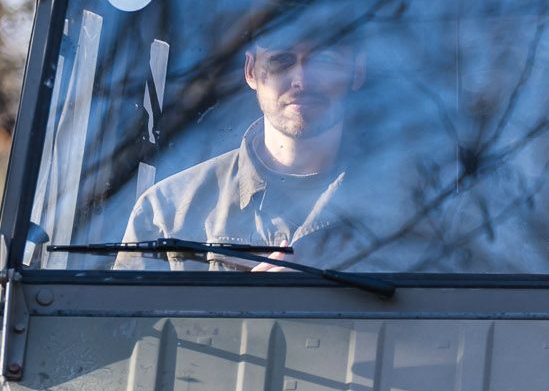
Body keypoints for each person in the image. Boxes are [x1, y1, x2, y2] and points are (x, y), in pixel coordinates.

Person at [121, 22, 420, 270]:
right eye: (280, 60)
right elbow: (128, 323)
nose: (301, 80)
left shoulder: (414, 204)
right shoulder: (166, 214)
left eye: (324, 58)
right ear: (251, 71)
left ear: (357, 71)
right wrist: (253, 306)